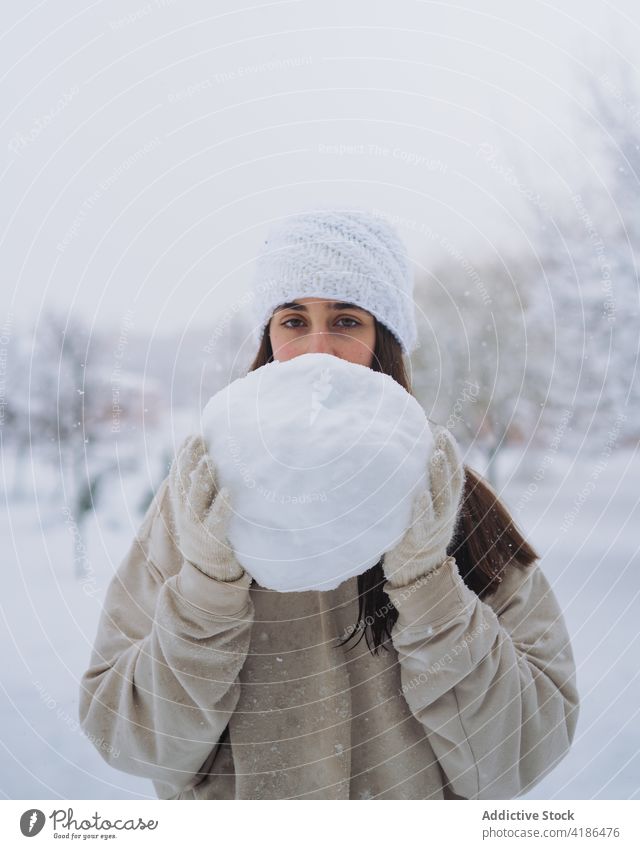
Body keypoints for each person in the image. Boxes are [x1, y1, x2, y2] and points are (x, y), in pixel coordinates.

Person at [79, 209, 579, 800]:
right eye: (294, 320)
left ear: (383, 343)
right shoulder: (201, 502)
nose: (317, 349)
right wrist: (207, 594)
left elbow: (521, 754)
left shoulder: (447, 502)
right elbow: (127, 737)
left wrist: (427, 587)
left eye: (345, 320)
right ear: (269, 341)